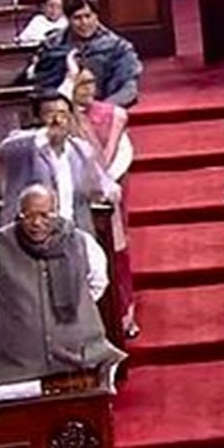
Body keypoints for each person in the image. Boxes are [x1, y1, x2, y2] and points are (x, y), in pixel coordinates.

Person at [0, 184, 127, 385]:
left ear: (56, 213)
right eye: (28, 216)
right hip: (16, 365)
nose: (36, 223)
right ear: (19, 214)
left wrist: (72, 311)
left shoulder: (83, 243)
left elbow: (97, 284)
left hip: (79, 360)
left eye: (44, 215)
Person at [60, 67, 139, 338]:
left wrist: (103, 183)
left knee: (116, 254)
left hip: (106, 197)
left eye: (90, 82)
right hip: (74, 199)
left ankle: (124, 315)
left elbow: (122, 155)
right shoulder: (60, 120)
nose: (87, 89)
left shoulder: (113, 115)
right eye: (80, 83)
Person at [0, 90, 120, 235]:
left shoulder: (80, 149)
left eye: (63, 114)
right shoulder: (26, 146)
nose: (57, 120)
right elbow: (6, 149)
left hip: (73, 232)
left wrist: (107, 190)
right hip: (31, 232)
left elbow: (102, 186)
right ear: (37, 118)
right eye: (50, 114)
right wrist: (45, 133)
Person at [30, 0, 142, 107]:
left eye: (88, 16)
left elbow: (128, 89)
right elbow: (43, 87)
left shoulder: (118, 47)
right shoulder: (52, 46)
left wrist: (101, 109)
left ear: (96, 16)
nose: (84, 22)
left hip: (104, 109)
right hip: (62, 110)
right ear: (68, 19)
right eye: (77, 18)